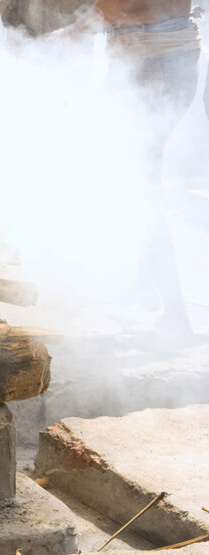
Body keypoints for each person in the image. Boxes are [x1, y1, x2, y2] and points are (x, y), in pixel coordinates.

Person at [63, 1, 200, 334]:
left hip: (150, 65)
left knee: (142, 190)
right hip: (163, 58)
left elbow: (116, 5)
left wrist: (68, 34)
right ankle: (145, 285)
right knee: (141, 176)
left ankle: (175, 316)